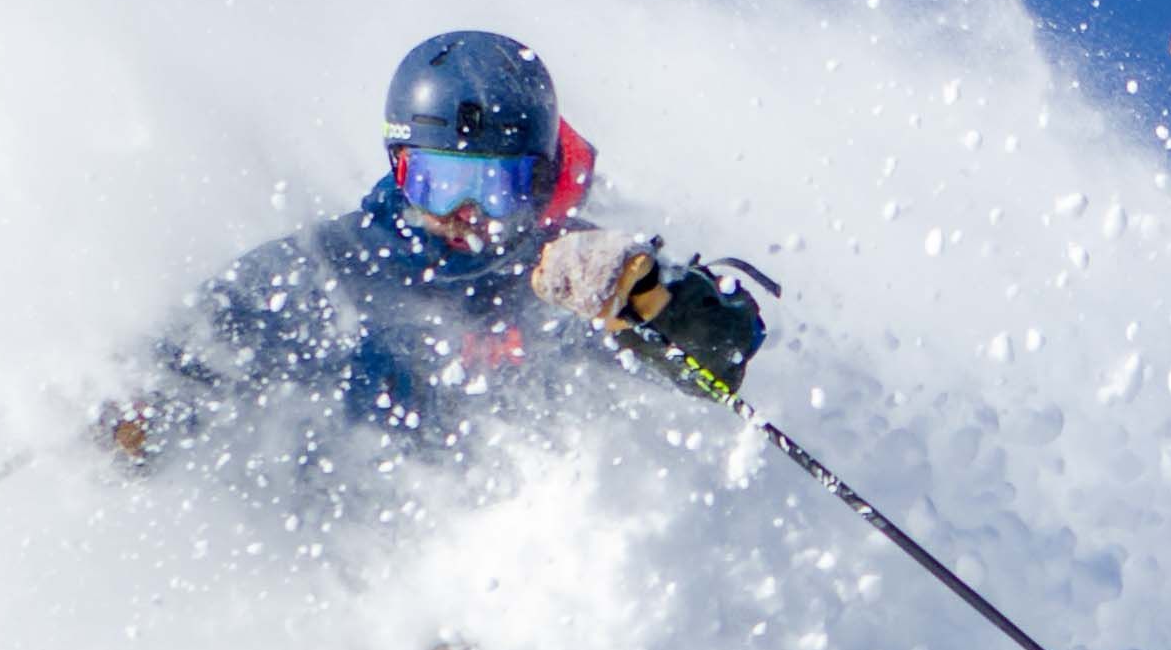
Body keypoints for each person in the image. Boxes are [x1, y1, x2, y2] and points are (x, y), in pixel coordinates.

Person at [106, 30, 767, 467]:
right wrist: (134, 413)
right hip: (336, 542)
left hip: (514, 561)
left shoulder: (576, 275)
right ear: (398, 167)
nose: (464, 213)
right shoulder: (326, 267)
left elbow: (719, 360)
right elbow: (201, 343)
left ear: (538, 180)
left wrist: (647, 295)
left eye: (496, 185)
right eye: (438, 181)